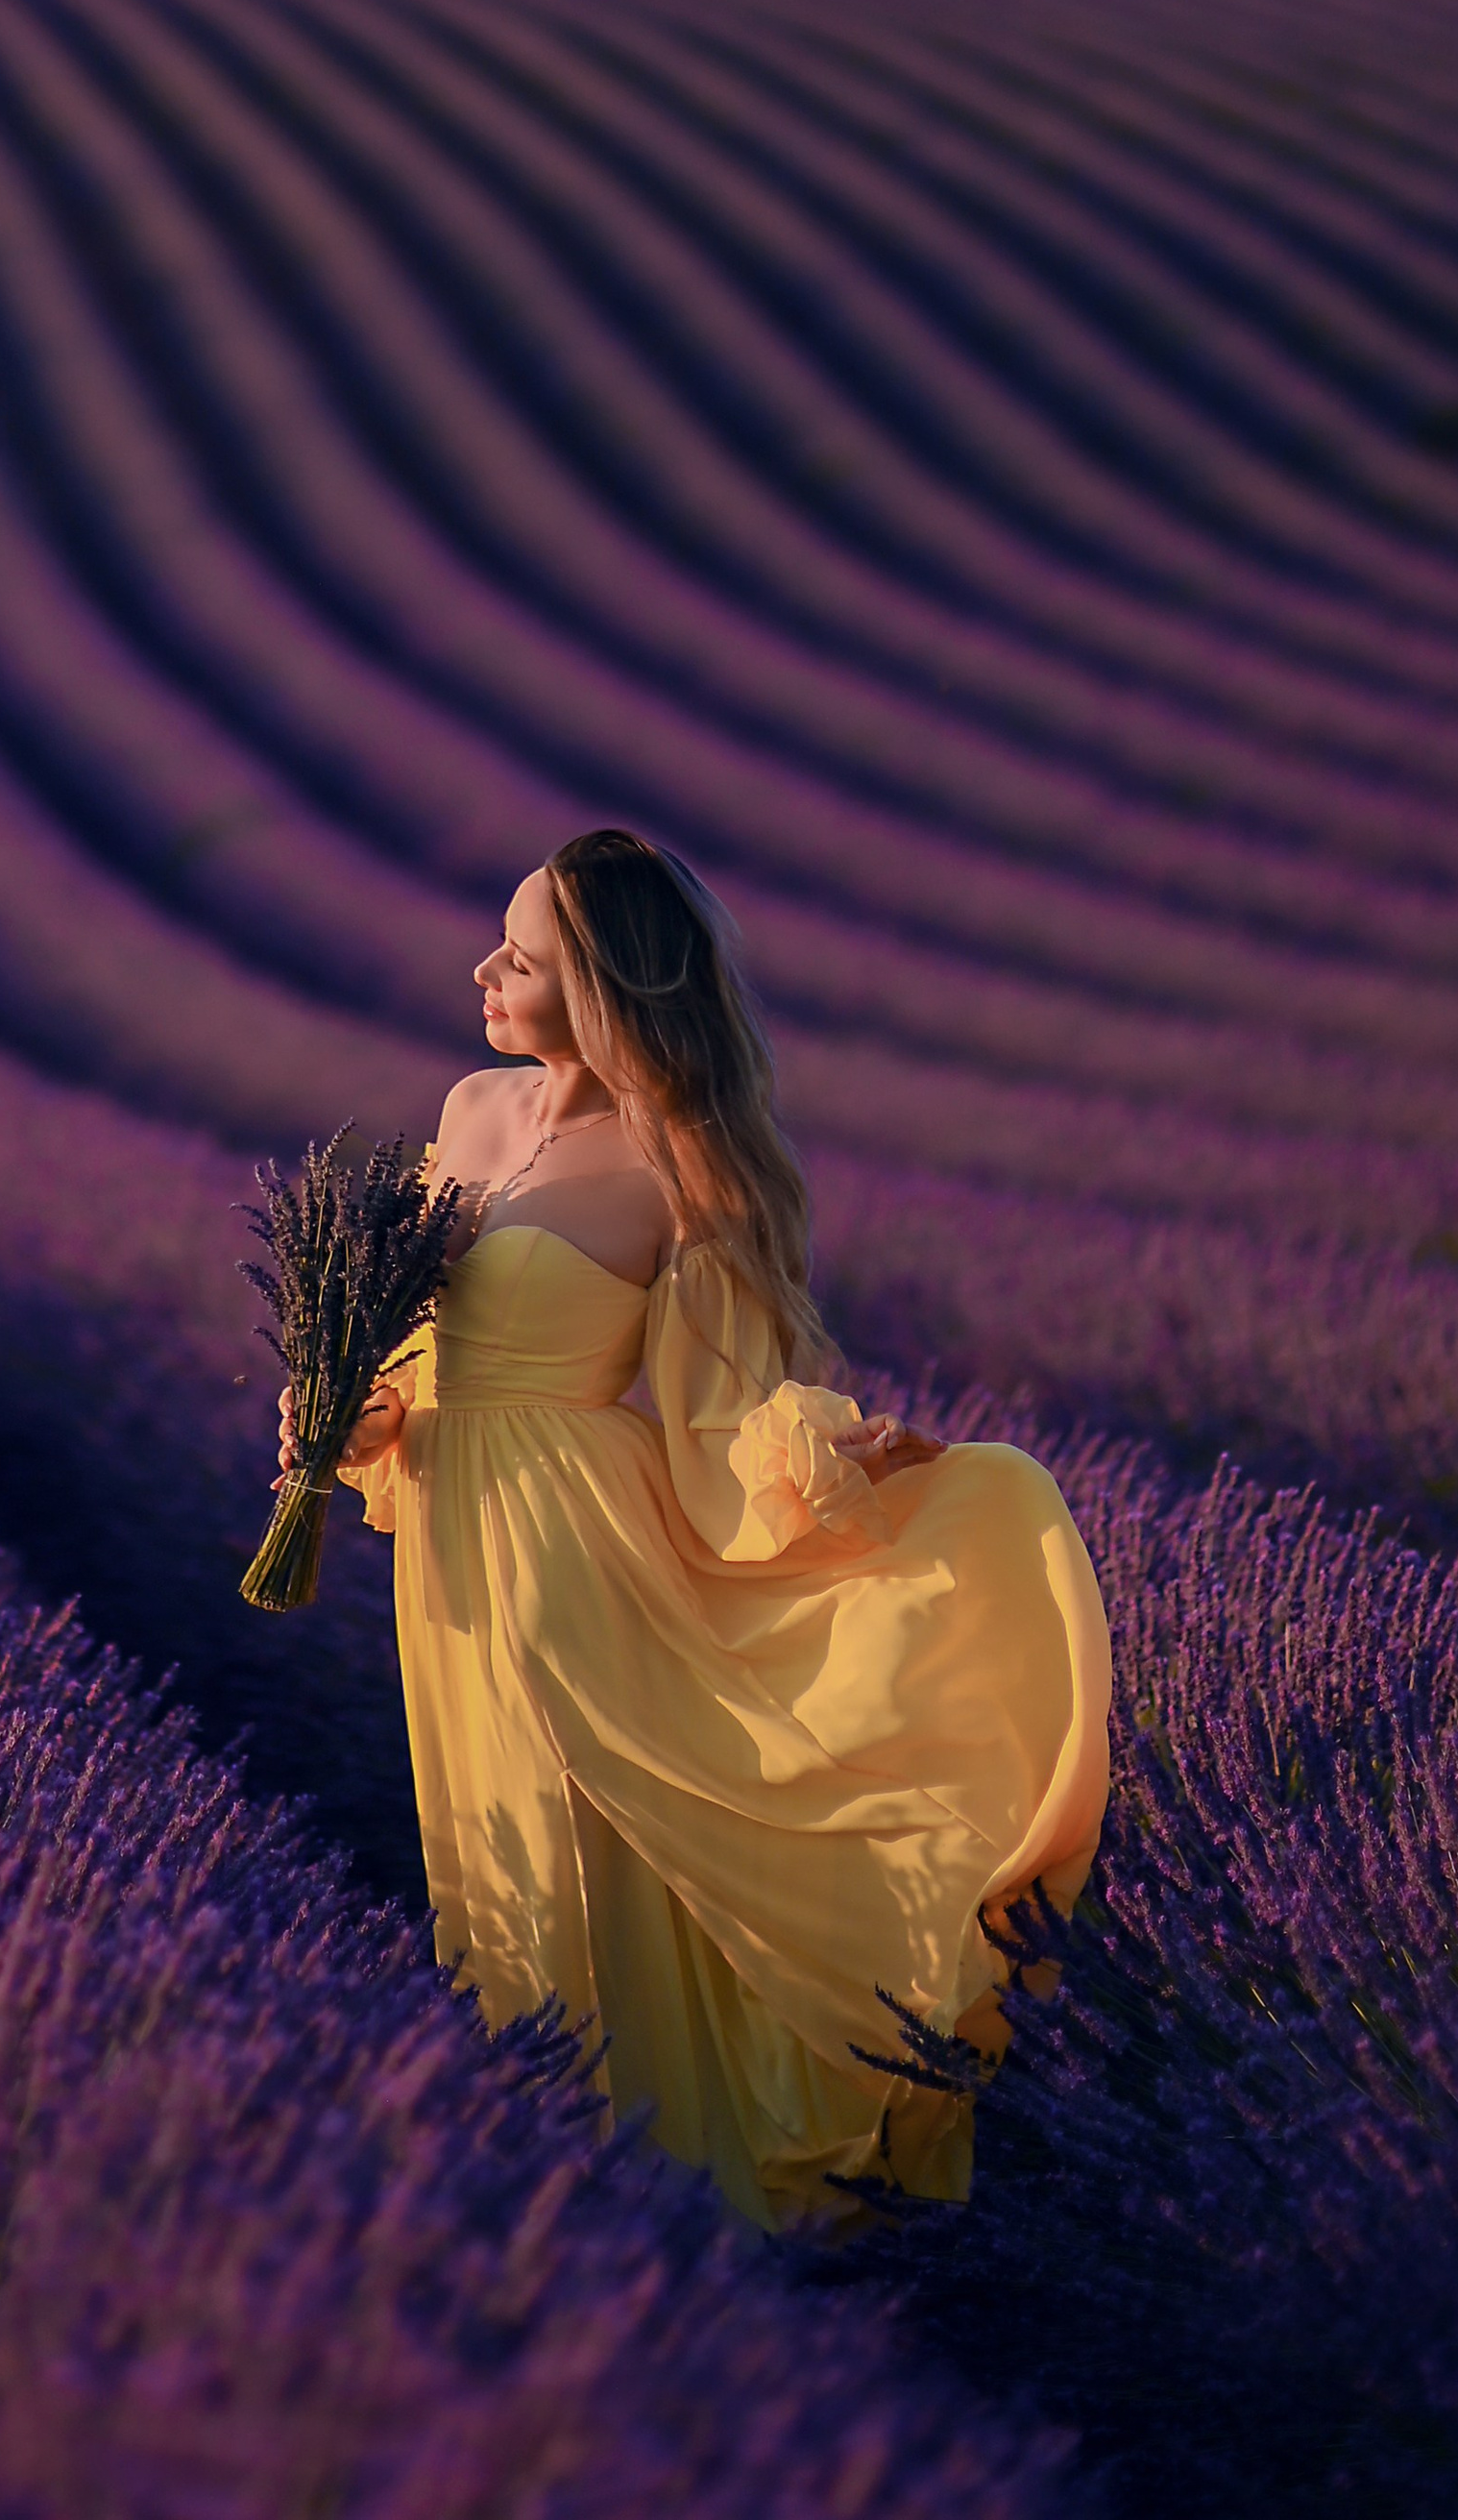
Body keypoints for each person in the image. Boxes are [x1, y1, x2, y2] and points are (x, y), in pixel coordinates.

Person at [290, 827, 1110, 2230]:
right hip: (453, 1547)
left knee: (572, 1862)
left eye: (525, 957)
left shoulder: (678, 1168)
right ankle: (539, 2190)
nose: (485, 968)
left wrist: (829, 1461)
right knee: (486, 1856)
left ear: (608, 987)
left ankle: (633, 2203)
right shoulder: (474, 1110)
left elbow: (723, 1405)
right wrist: (353, 1415)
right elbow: (423, 1343)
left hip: (578, 1560)